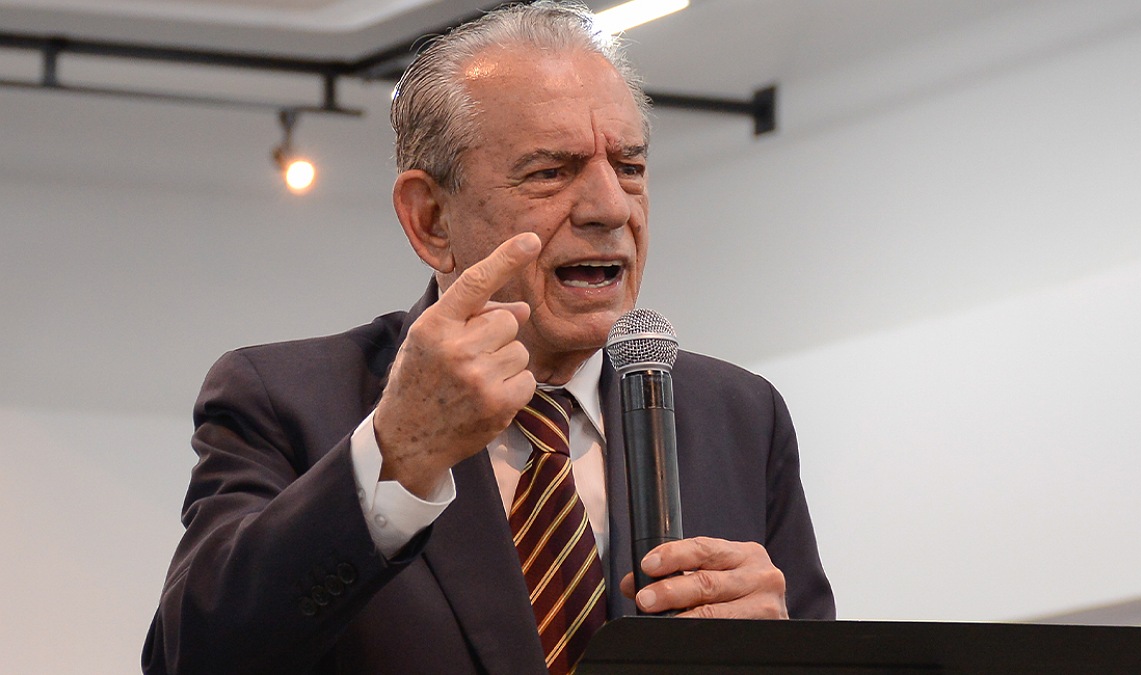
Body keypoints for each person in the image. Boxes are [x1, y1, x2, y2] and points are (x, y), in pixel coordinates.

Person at [142, 2, 834, 673]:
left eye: (629, 166)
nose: (610, 207)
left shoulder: (740, 416)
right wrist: (396, 455)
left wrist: (776, 655)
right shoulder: (288, 402)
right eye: (550, 172)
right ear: (431, 220)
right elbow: (192, 658)